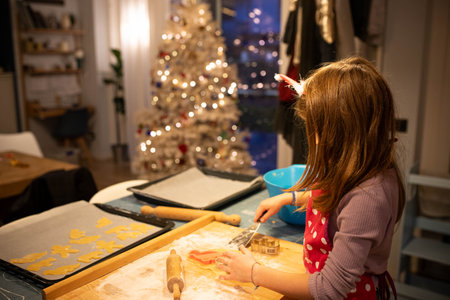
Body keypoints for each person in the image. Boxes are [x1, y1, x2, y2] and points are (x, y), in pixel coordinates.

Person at [216, 56, 405, 299]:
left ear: (343, 133)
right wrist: (289, 199)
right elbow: (335, 199)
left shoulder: (368, 198)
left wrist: (254, 273)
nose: (313, 139)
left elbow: (329, 288)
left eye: (315, 130)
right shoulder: (358, 164)